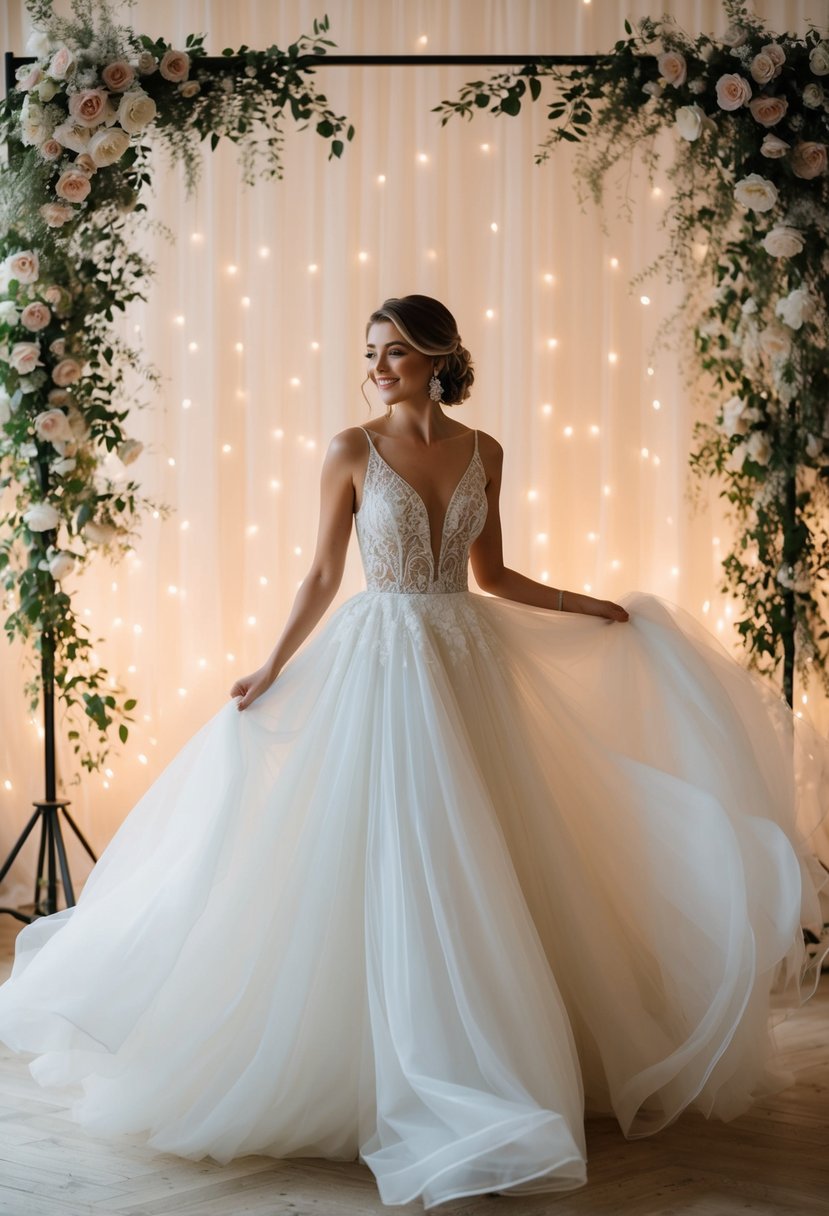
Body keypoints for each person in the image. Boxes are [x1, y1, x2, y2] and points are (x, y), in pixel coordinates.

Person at [0, 293, 825, 1209]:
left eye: (395, 352)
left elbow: (491, 574)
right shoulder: (350, 448)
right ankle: (380, 1060)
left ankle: (493, 1051)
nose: (378, 366)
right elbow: (321, 572)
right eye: (370, 353)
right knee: (385, 847)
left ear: (438, 357)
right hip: (380, 664)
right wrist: (270, 664)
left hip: (466, 663)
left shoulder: (487, 452)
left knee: (487, 850)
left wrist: (583, 605)